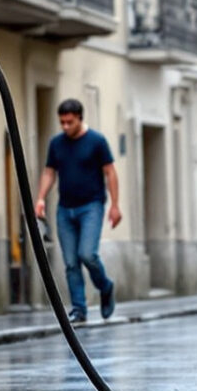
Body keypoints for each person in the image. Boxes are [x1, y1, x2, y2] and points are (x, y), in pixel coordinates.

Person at [33, 98, 120, 322]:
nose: (65, 126)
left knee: (87, 255)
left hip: (91, 206)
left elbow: (110, 172)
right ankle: (79, 309)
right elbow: (49, 172)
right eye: (61, 122)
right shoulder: (56, 143)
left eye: (69, 122)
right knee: (71, 262)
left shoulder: (97, 141)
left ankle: (105, 286)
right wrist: (41, 198)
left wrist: (115, 205)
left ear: (80, 118)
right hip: (65, 209)